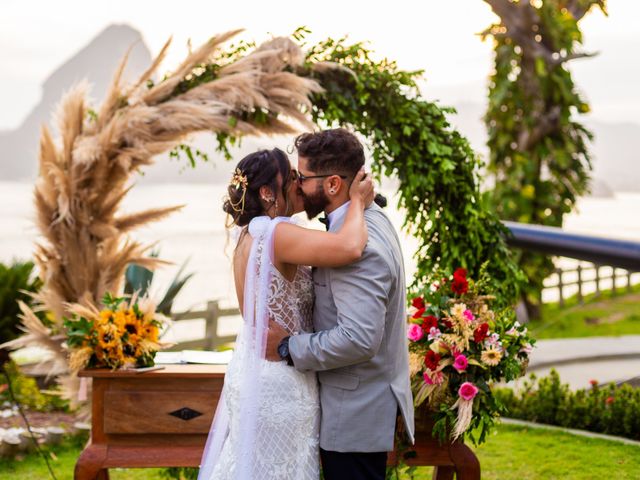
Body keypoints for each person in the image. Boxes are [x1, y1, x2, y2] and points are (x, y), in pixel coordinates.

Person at [198, 146, 374, 480]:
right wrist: (359, 203)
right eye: (291, 177)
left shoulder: (247, 235)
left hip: (250, 372)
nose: (298, 184)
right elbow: (350, 247)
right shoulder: (276, 232)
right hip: (281, 379)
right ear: (267, 192)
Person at [266, 128, 415, 480]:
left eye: (302, 178)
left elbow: (359, 338)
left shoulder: (356, 247)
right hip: (360, 409)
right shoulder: (369, 219)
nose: (297, 186)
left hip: (354, 416)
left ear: (333, 184)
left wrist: (289, 346)